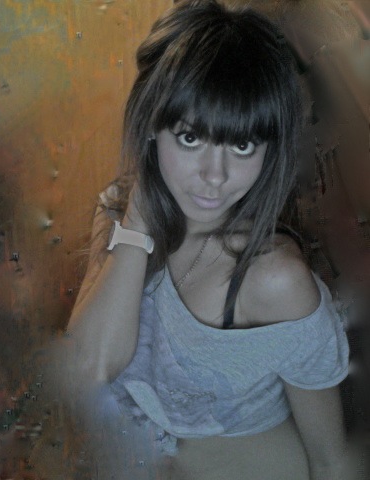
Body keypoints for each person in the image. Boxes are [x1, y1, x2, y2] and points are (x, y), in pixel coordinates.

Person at [65, 1, 356, 478]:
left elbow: (330, 458)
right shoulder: (120, 208)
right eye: (190, 138)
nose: (214, 176)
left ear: (268, 150)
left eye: (241, 145)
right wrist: (137, 221)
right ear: (153, 127)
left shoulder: (274, 279)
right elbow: (87, 370)